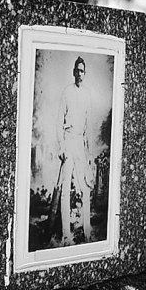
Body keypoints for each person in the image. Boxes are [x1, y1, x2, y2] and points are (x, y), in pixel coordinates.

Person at [55, 56, 94, 244]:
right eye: (77, 70)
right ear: (73, 72)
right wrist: (61, 146)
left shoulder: (87, 94)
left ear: (85, 74)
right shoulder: (66, 92)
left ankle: (87, 232)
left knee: (85, 187)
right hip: (69, 141)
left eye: (82, 71)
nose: (79, 74)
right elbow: (58, 121)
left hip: (80, 143)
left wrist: (88, 152)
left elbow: (88, 125)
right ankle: (65, 234)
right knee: (65, 190)